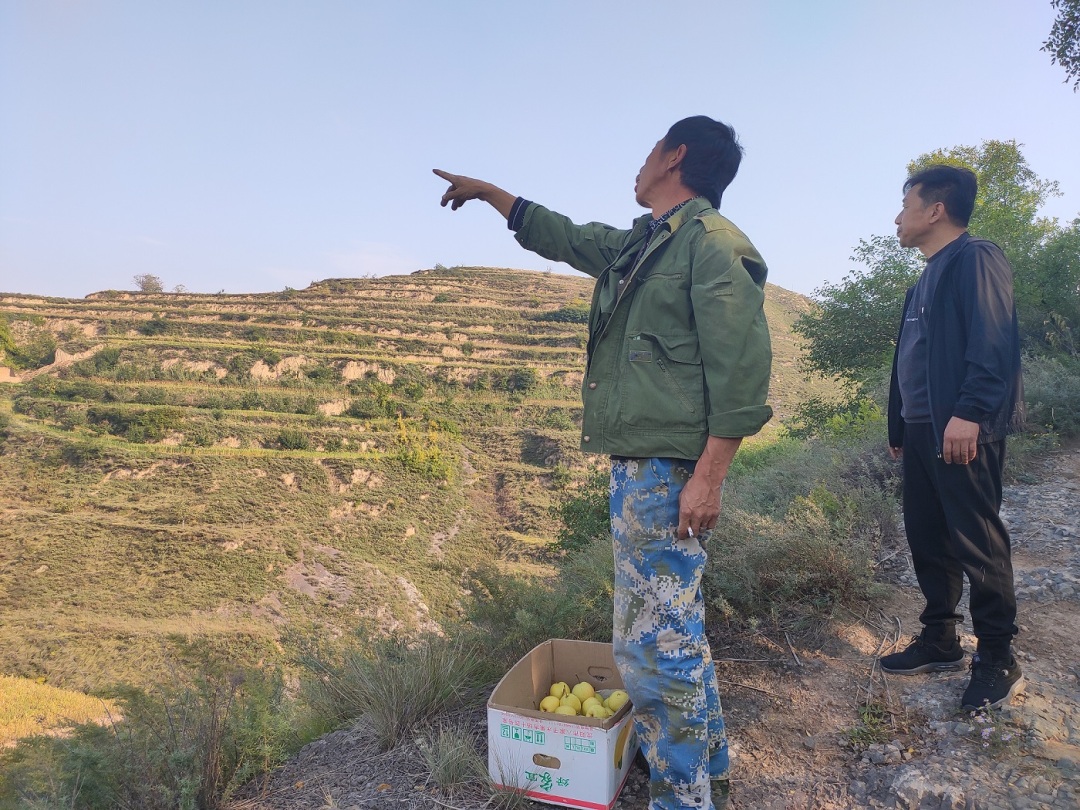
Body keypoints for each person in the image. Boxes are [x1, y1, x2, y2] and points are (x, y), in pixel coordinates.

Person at [434, 115, 772, 810]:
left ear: (675, 156)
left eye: (650, 150)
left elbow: (742, 371)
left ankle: (683, 799)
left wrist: (708, 477)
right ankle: (707, 772)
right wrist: (493, 194)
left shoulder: (711, 244)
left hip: (668, 470)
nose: (639, 163)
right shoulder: (645, 243)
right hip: (645, 465)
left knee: (651, 647)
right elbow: (566, 236)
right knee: (674, 630)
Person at [880, 164, 1025, 711]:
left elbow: (993, 342)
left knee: (976, 540)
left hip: (961, 427)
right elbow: (911, 359)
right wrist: (899, 423)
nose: (898, 219)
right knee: (927, 536)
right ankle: (940, 638)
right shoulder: (924, 278)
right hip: (922, 429)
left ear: (935, 210)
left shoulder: (976, 258)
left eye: (906, 206)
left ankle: (998, 658)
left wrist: (970, 413)